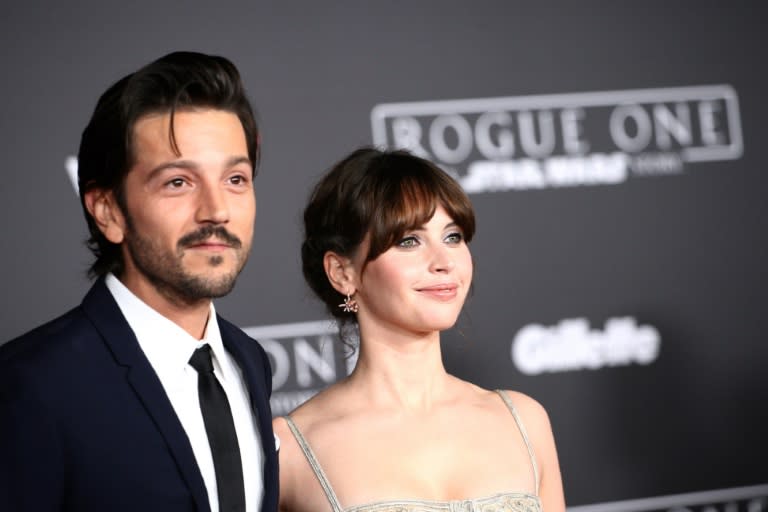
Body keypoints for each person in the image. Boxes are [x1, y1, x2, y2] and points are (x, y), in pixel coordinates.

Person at [0, 51, 278, 512]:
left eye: (235, 178)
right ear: (108, 211)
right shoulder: (30, 386)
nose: (216, 210)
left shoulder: (248, 361)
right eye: (177, 182)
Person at [273, 148, 565, 512]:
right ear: (342, 273)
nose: (444, 262)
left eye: (453, 236)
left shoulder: (524, 421)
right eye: (409, 241)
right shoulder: (290, 447)